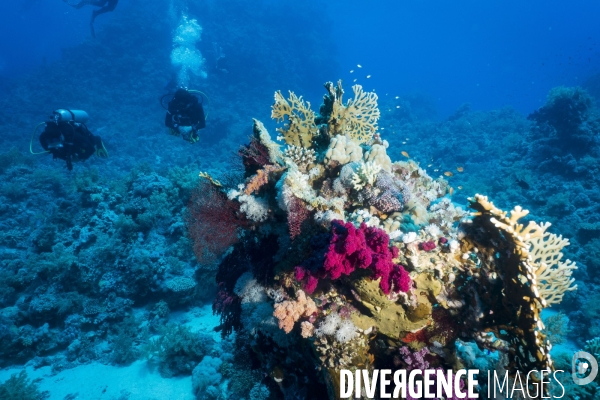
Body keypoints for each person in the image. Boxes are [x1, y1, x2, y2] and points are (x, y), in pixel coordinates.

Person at [38, 110, 108, 171]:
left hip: (79, 138)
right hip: (66, 143)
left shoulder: (74, 137)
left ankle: (98, 140)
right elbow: (52, 151)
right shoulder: (43, 138)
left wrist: (80, 158)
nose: (54, 143)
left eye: (56, 140)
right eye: (51, 141)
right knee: (62, 149)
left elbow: (91, 149)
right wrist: (67, 159)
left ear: (61, 137)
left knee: (91, 142)